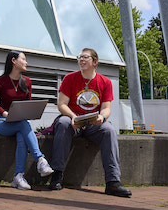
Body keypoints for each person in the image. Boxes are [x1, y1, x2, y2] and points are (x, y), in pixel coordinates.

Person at [48, 48, 132, 197]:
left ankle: (112, 182)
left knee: (109, 130)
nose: (81, 60)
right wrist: (73, 117)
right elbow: (62, 104)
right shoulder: (69, 79)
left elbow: (106, 108)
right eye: (80, 57)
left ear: (95, 61)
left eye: (85, 57)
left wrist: (102, 117)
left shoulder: (105, 82)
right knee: (63, 123)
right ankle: (56, 175)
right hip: (73, 120)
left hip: (93, 124)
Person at [0, 50, 54, 190]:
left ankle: (18, 177)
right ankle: (40, 160)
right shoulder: (0, 81)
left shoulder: (27, 82)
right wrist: (5, 113)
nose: (26, 62)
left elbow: (28, 104)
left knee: (22, 134)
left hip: (21, 123)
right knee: (24, 126)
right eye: (23, 59)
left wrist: (29, 112)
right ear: (14, 61)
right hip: (3, 122)